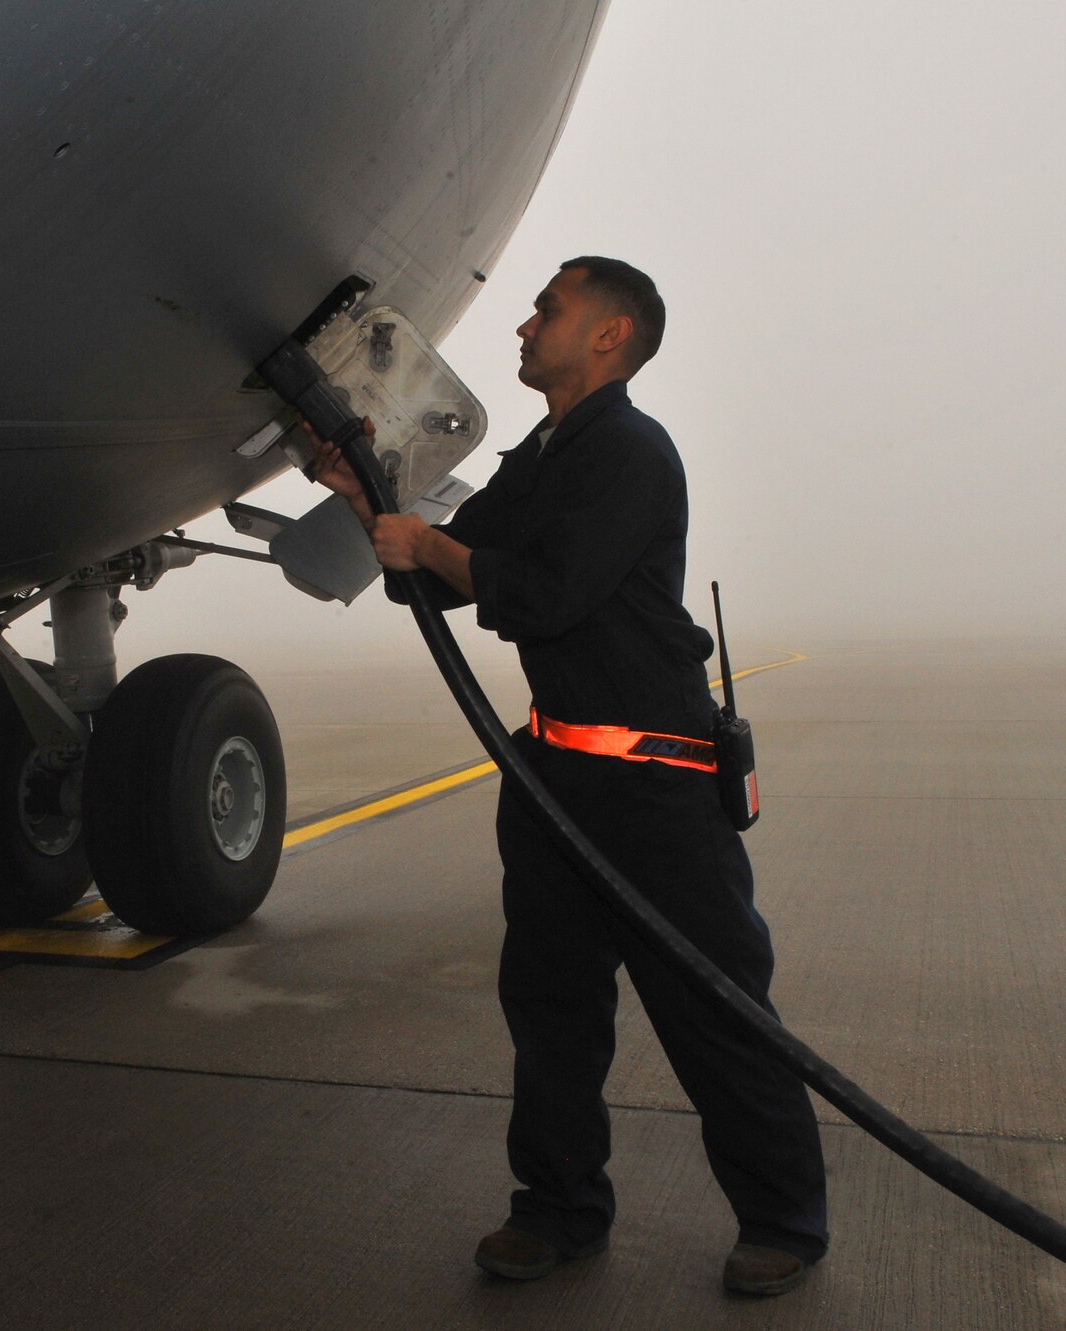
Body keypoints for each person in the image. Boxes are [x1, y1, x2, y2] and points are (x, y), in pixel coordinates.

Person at [305, 257, 829, 1297]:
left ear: (608, 334)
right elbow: (457, 562)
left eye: (548, 307)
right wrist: (363, 495)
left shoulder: (630, 453)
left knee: (716, 1010)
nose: (525, 321)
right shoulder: (546, 451)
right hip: (551, 777)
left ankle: (782, 1219)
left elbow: (540, 594)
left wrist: (425, 547)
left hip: (655, 787)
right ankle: (556, 1209)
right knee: (549, 1008)